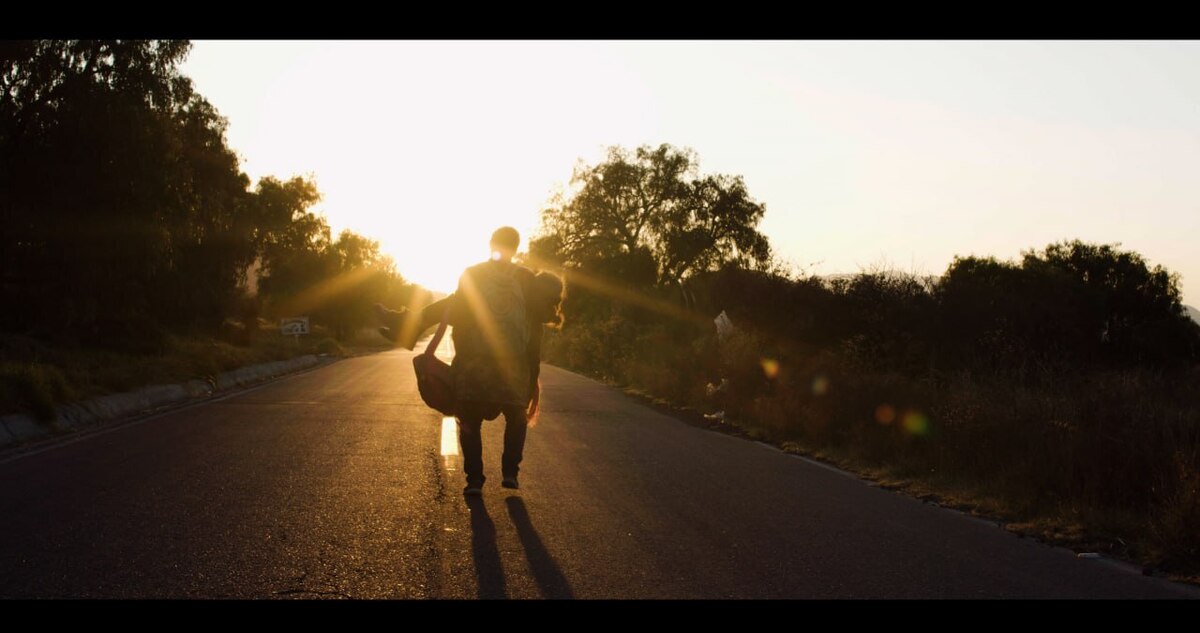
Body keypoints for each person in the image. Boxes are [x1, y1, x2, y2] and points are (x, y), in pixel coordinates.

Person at [375, 227, 563, 496]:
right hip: (513, 368)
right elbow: (533, 329)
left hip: (475, 365)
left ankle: (475, 479)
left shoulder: (472, 273)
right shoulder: (525, 278)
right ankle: (510, 472)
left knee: (469, 421)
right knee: (516, 417)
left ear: (490, 244)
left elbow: (455, 310)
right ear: (516, 247)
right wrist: (532, 377)